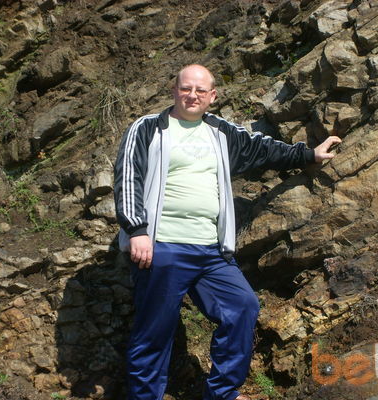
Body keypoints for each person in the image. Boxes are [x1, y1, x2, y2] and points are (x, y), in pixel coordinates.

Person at [114, 64, 341, 400]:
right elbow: (127, 177)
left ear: (212, 96)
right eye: (185, 88)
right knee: (154, 332)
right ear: (174, 91)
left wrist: (308, 154)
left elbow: (262, 149)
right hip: (162, 246)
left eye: (200, 90)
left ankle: (222, 393)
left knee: (242, 306)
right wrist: (137, 230)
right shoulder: (148, 128)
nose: (192, 96)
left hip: (211, 250)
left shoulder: (220, 132)